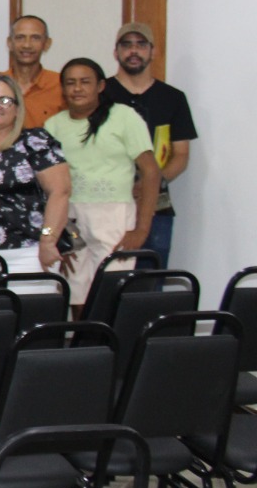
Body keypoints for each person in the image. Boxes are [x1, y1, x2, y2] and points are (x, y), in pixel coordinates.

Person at [46, 58, 159, 312]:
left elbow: (151, 172)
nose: (77, 88)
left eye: (85, 82)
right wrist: (53, 235)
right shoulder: (53, 126)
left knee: (110, 294)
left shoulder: (124, 117)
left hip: (114, 216)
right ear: (62, 89)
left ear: (100, 86)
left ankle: (107, 339)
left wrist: (142, 229)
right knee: (75, 293)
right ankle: (82, 338)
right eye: (70, 83)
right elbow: (46, 185)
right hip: (69, 219)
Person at [102, 22, 197, 266]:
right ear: (115, 52)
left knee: (152, 282)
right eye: (126, 45)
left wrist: (151, 183)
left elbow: (181, 155)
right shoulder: (100, 95)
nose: (133, 51)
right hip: (107, 205)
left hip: (157, 208)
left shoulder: (173, 98)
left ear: (153, 52)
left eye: (141, 45)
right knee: (106, 281)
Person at [0, 74, 71, 275]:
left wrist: (48, 239)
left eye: (5, 100)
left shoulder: (35, 142)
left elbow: (60, 192)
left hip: (29, 253)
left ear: (17, 108)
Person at [0, 15, 63, 127]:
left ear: (47, 44)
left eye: (35, 38)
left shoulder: (60, 85)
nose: (27, 45)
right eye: (20, 37)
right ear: (9, 43)